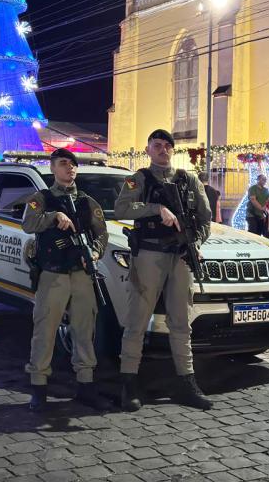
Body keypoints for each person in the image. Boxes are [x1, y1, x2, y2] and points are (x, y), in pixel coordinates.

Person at [114, 129, 213, 412]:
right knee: (137, 321)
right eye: (157, 145)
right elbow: (121, 209)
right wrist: (156, 208)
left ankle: (186, 381)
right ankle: (128, 383)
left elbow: (205, 219)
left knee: (182, 322)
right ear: (148, 150)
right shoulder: (139, 179)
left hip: (181, 257)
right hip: (149, 254)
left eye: (167, 146)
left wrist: (195, 241)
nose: (163, 150)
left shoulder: (189, 179)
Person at [22, 148, 112, 412]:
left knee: (84, 331)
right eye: (63, 164)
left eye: (72, 164)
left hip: (82, 274)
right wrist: (53, 217)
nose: (69, 168)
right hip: (53, 274)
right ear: (53, 168)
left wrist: (95, 251)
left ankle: (86, 384)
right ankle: (39, 388)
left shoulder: (87, 202)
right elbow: (28, 223)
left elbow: (102, 233)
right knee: (45, 331)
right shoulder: (42, 199)